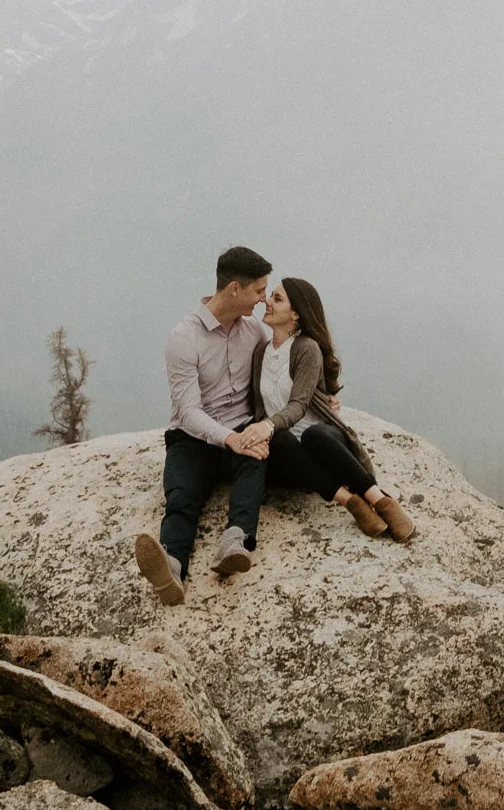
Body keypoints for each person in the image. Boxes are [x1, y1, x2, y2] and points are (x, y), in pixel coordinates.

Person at [137, 244, 275, 605]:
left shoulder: (255, 332)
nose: (263, 299)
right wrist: (229, 438)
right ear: (234, 289)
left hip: (241, 428)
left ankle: (236, 541)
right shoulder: (184, 338)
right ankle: (171, 566)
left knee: (254, 462)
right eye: (258, 290)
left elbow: (288, 359)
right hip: (193, 436)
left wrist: (326, 392)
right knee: (182, 497)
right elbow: (187, 410)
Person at [247, 277, 414, 541]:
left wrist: (268, 423)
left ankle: (381, 501)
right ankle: (352, 502)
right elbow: (257, 407)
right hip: (289, 455)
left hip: (322, 445)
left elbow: (299, 404)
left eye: (277, 299)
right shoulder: (260, 353)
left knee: (314, 435)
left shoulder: (306, 348)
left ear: (296, 314)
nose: (267, 301)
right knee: (276, 438)